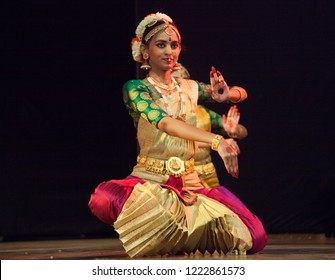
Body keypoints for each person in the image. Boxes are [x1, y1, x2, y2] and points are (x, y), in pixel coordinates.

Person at [88, 12, 267, 257]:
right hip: (150, 179)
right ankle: (172, 234)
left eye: (174, 45)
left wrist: (228, 95)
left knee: (255, 236)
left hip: (191, 182)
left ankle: (176, 237)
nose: (168, 51)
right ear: (145, 51)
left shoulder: (190, 87)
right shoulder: (136, 88)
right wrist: (217, 141)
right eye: (160, 45)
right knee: (103, 198)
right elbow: (165, 123)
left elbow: (241, 92)